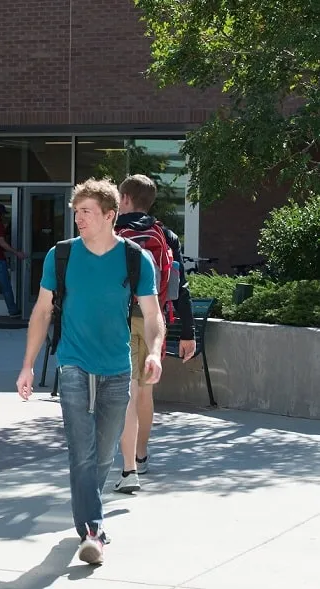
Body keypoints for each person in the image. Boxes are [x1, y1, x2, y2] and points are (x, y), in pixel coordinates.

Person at [15, 178, 164, 565]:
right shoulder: (60, 256)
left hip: (117, 366)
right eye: (76, 211)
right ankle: (93, 531)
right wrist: (28, 365)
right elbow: (42, 311)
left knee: (102, 454)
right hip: (74, 364)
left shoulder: (135, 258)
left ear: (110, 215)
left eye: (87, 212)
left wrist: (155, 352)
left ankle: (88, 520)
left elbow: (152, 315)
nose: (78, 218)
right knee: (81, 451)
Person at [113, 174, 196, 493]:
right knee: (144, 391)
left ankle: (125, 463)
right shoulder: (166, 235)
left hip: (117, 321)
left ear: (124, 199)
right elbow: (180, 287)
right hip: (153, 318)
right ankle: (141, 455)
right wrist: (187, 331)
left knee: (123, 389)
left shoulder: (111, 233)